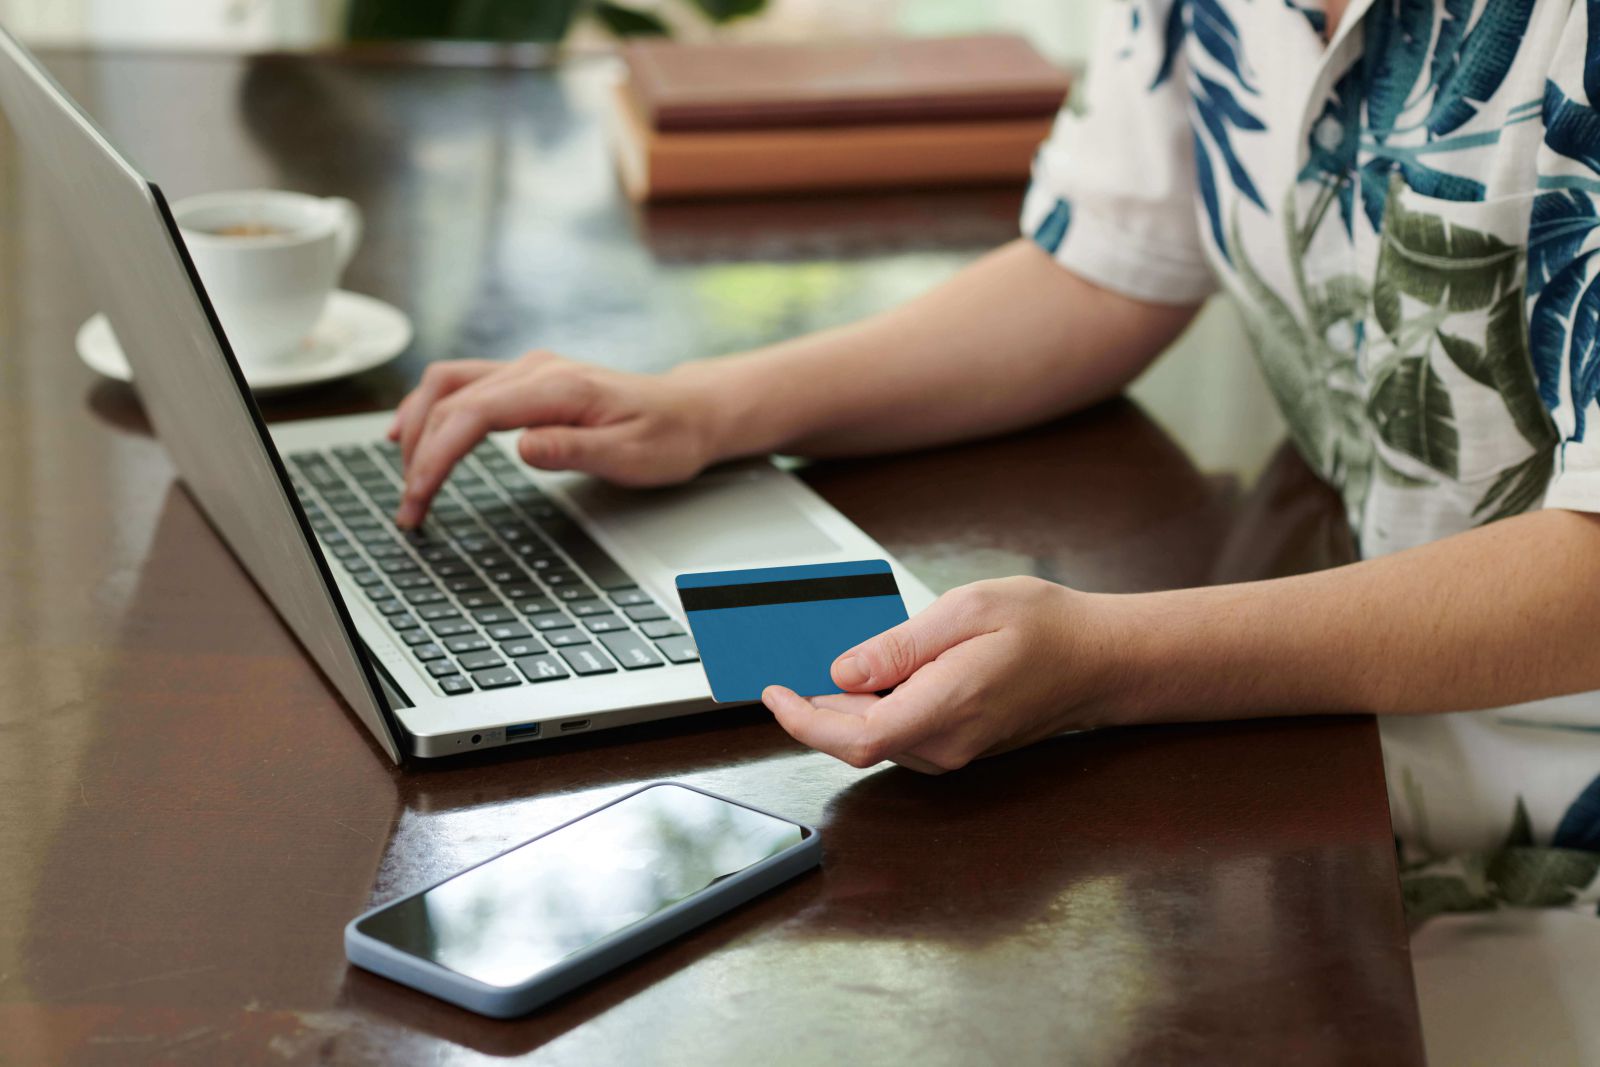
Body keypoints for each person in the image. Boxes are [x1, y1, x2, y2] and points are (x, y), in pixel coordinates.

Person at [390, 0, 1600, 919]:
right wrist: (702, 408)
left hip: (1543, 820)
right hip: (1352, 703)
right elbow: (1106, 261)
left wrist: (1115, 661)